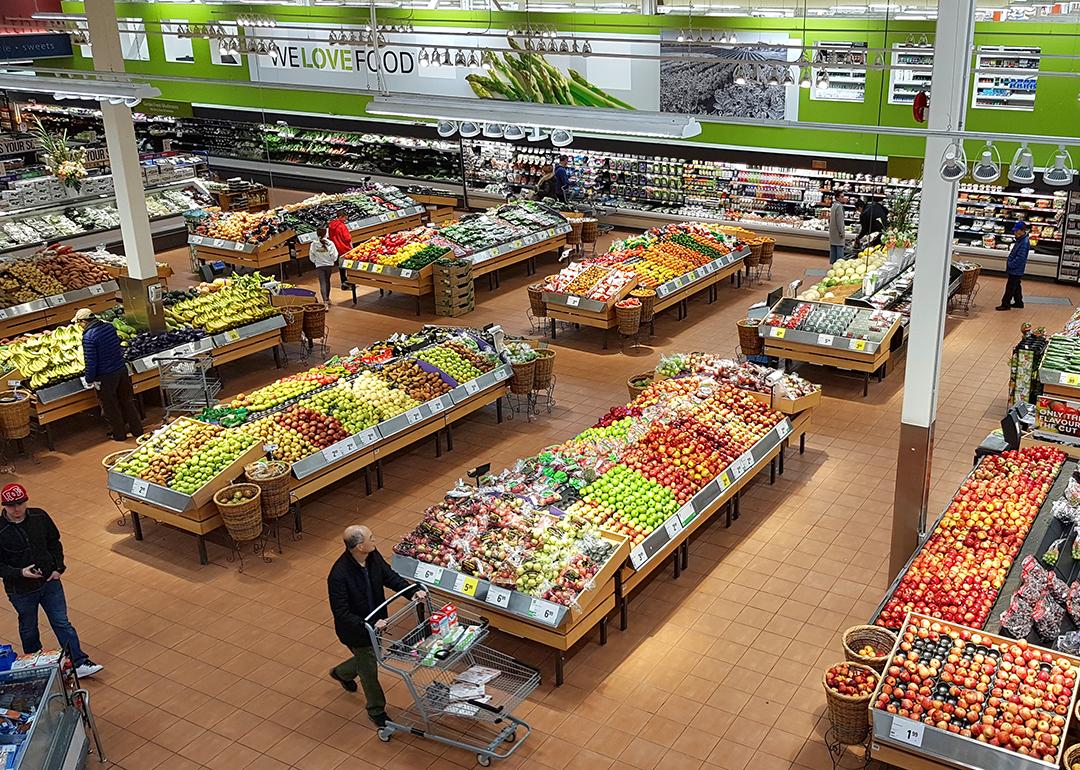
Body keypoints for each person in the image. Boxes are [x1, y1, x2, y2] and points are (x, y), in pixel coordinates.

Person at [327, 525, 426, 728]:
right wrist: (369, 623)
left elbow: (389, 576)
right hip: (357, 631)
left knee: (369, 657)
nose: (375, 540)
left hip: (376, 625)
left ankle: (342, 672)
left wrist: (411, 591)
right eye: (371, 538)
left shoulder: (372, 556)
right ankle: (376, 710)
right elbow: (342, 613)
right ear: (359, 546)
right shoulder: (338, 576)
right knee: (369, 670)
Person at [0, 484, 102, 679]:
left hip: (49, 582)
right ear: (4, 506)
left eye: (20, 503)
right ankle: (36, 665)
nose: (17, 508)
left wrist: (58, 568)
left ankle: (78, 662)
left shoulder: (39, 517)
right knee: (29, 628)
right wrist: (21, 572)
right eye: (11, 505)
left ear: (26, 501)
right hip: (20, 590)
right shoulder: (1, 530)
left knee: (62, 622)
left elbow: (54, 542)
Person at [77, 307, 142, 442]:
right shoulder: (109, 327)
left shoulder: (88, 337)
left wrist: (89, 379)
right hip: (121, 369)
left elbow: (91, 361)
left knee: (110, 406)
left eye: (79, 323)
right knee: (127, 401)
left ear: (84, 321)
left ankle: (119, 434)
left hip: (105, 376)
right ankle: (137, 429)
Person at [997, 221, 1030, 311]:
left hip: (1016, 268)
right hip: (1016, 268)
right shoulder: (1021, 239)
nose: (1014, 232)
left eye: (1016, 230)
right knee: (1016, 285)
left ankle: (1005, 304)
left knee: (1010, 287)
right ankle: (1019, 302)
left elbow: (1020, 257)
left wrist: (1011, 264)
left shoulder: (1024, 242)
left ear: (1022, 230)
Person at [308, 225, 340, 305]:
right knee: (327, 281)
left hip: (319, 266)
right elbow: (334, 255)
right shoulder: (330, 243)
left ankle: (325, 301)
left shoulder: (313, 244)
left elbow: (311, 255)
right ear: (326, 233)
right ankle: (327, 299)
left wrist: (316, 262)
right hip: (328, 265)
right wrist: (331, 261)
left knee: (322, 282)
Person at [328, 210, 353, 290]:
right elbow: (347, 238)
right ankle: (349, 282)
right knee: (349, 265)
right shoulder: (342, 226)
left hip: (336, 248)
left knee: (341, 267)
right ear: (341, 217)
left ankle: (343, 282)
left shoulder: (331, 225)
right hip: (344, 248)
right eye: (345, 218)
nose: (345, 220)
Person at [828, 193, 848, 264]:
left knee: (833, 249)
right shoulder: (839, 207)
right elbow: (840, 221)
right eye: (841, 197)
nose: (843, 198)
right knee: (839, 250)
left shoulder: (833, 205)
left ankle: (833, 265)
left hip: (833, 232)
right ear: (837, 198)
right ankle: (839, 265)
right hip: (838, 233)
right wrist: (842, 233)